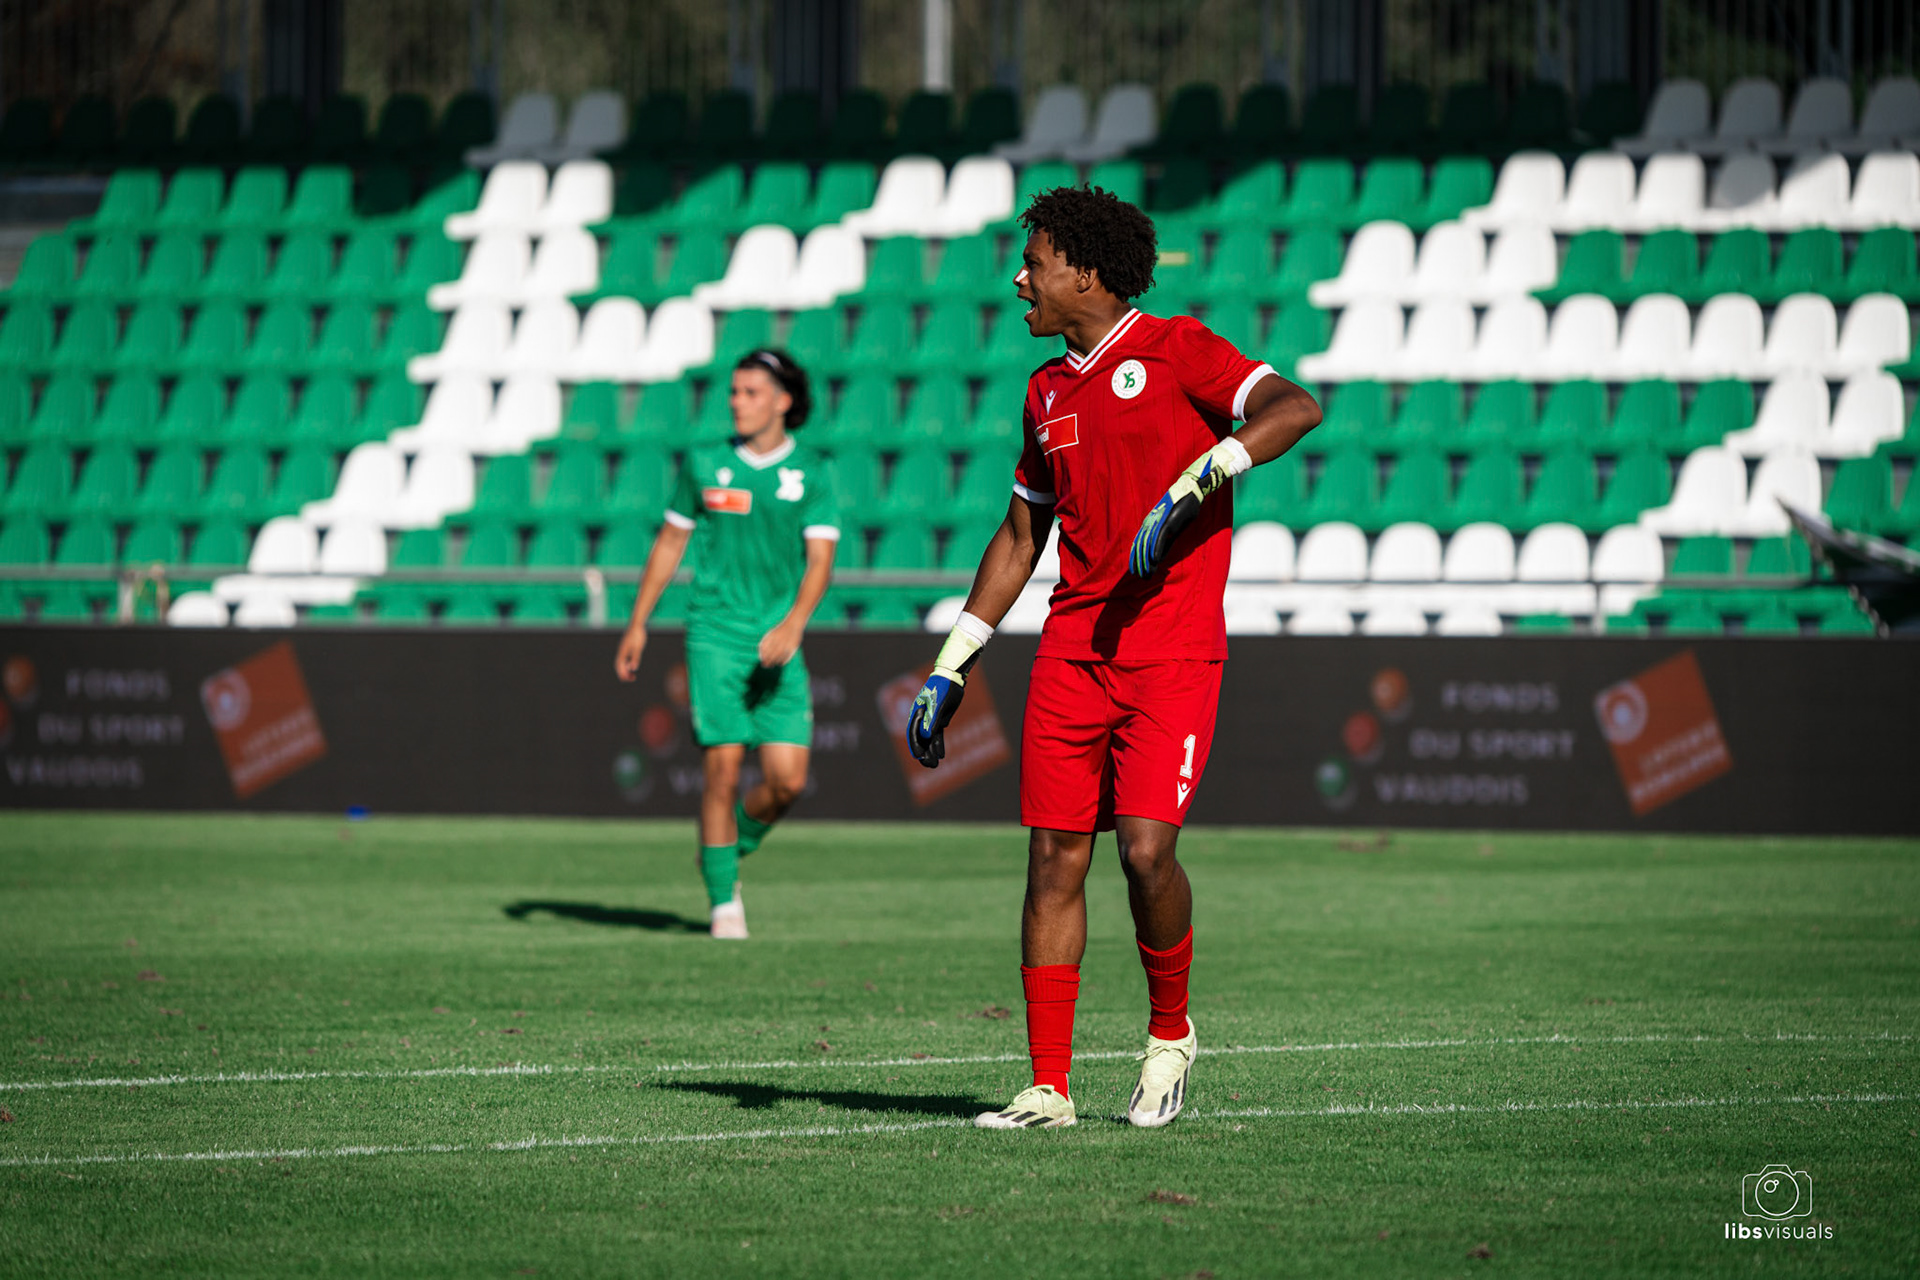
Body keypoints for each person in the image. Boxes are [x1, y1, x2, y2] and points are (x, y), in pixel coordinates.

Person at [907, 187, 1321, 1129]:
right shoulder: (1044, 392)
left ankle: (1169, 1039)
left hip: (1171, 654)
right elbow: (1019, 538)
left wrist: (1200, 475)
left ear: (1085, 273)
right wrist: (953, 660)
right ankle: (1047, 1088)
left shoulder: (1179, 348)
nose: (1021, 279)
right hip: (1071, 654)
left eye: (1036, 262)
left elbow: (1295, 408)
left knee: (1143, 853)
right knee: (1054, 858)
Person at [616, 350, 840, 939]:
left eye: (750, 392)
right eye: (734, 392)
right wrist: (639, 621)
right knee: (721, 771)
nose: (736, 402)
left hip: (778, 640)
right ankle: (724, 905)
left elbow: (820, 561)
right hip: (715, 635)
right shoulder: (705, 463)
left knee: (788, 781)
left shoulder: (810, 473)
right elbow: (669, 544)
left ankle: (726, 847)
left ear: (783, 401)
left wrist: (794, 623)